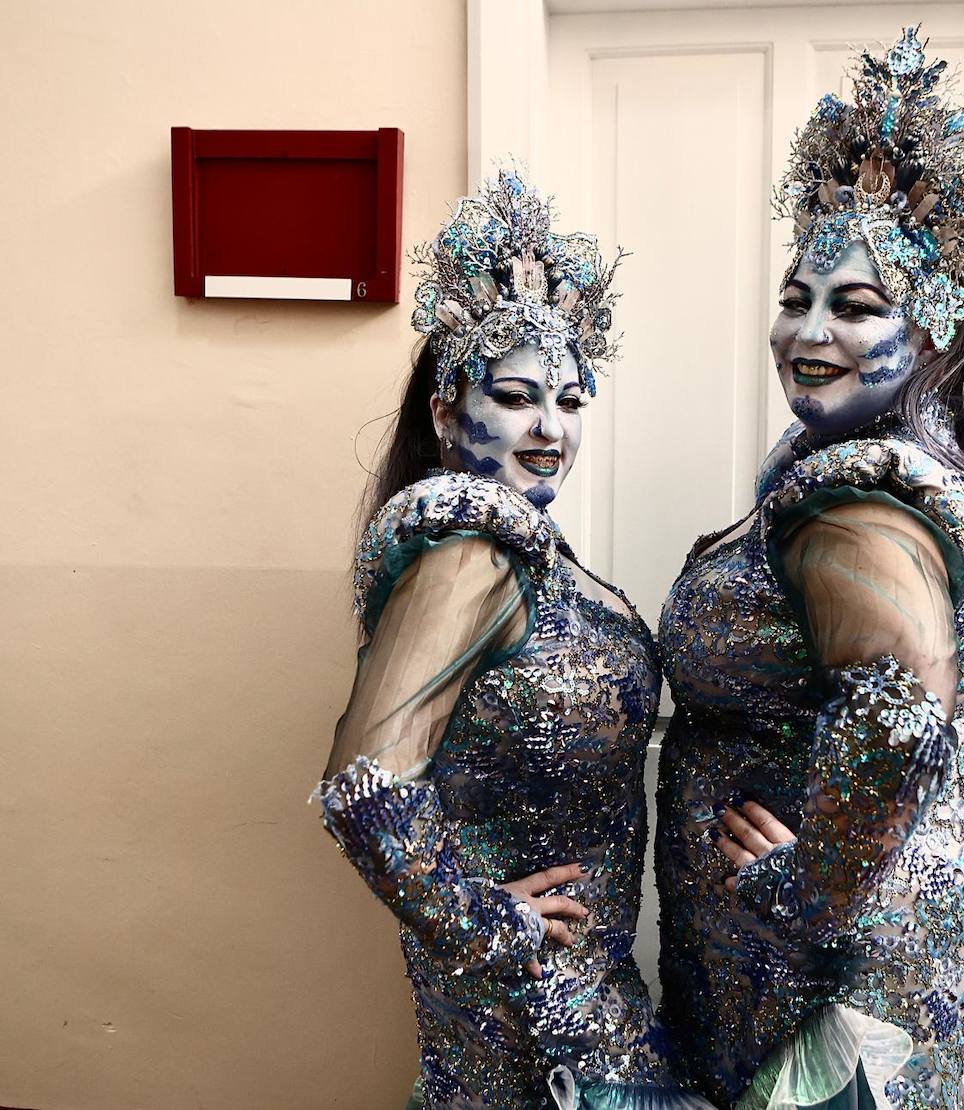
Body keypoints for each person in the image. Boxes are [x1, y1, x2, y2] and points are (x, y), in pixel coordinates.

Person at [654, 28, 964, 1110]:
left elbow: (900, 712)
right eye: (796, 298)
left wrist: (803, 895)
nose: (806, 331)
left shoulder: (856, 493)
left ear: (933, 328)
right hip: (815, 973)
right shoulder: (843, 468)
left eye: (855, 307)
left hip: (827, 999)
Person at [318, 170, 711, 1110]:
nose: (551, 429)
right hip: (523, 1004)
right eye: (518, 396)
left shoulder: (538, 554)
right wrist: (488, 921)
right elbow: (360, 788)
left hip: (592, 989)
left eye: (571, 401)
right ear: (448, 411)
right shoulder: (468, 551)